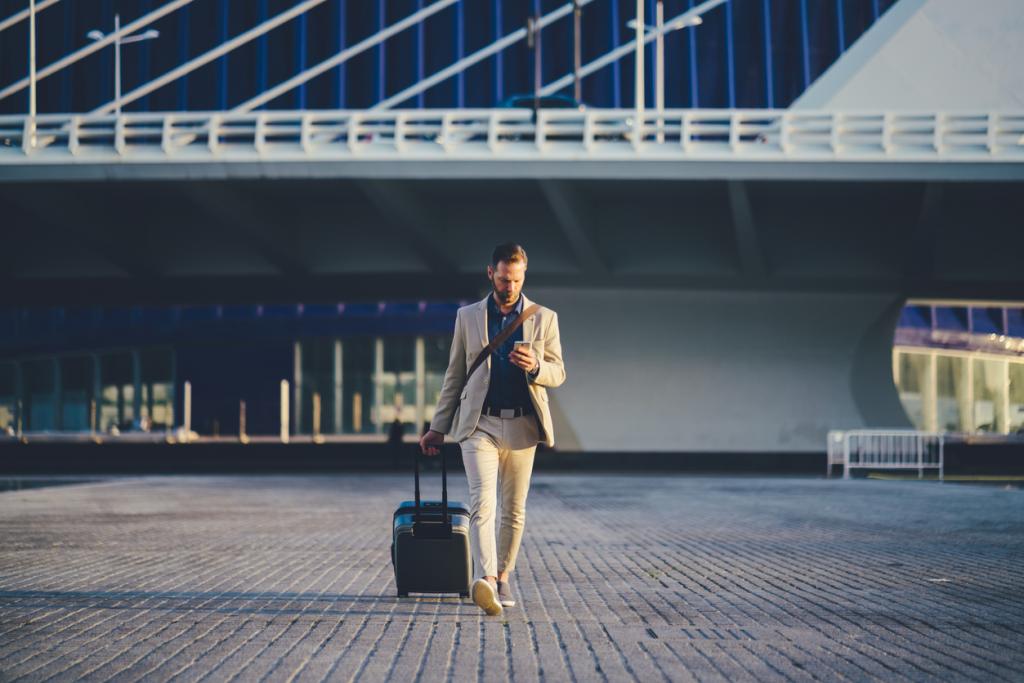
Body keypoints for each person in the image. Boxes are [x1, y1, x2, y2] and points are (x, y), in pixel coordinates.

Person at [420, 243, 565, 616]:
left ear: (523, 276)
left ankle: (503, 574)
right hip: (478, 423)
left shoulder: (544, 318)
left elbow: (558, 373)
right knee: (483, 502)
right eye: (503, 279)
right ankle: (484, 580)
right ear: (490, 274)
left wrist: (535, 366)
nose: (509, 287)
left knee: (514, 510)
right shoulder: (467, 316)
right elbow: (455, 374)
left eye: (515, 280)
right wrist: (438, 427)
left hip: (522, 425)